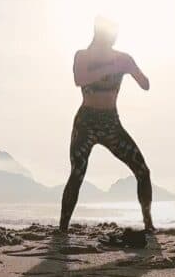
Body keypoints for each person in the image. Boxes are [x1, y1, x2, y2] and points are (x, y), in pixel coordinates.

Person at [60, 16, 154, 233]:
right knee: (78, 172)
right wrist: (110, 67)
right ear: (99, 34)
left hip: (111, 123)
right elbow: (79, 79)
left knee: (143, 171)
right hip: (86, 122)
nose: (114, 38)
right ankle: (62, 229)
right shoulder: (82, 56)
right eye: (110, 34)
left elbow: (145, 84)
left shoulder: (123, 58)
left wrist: (131, 67)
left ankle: (148, 224)